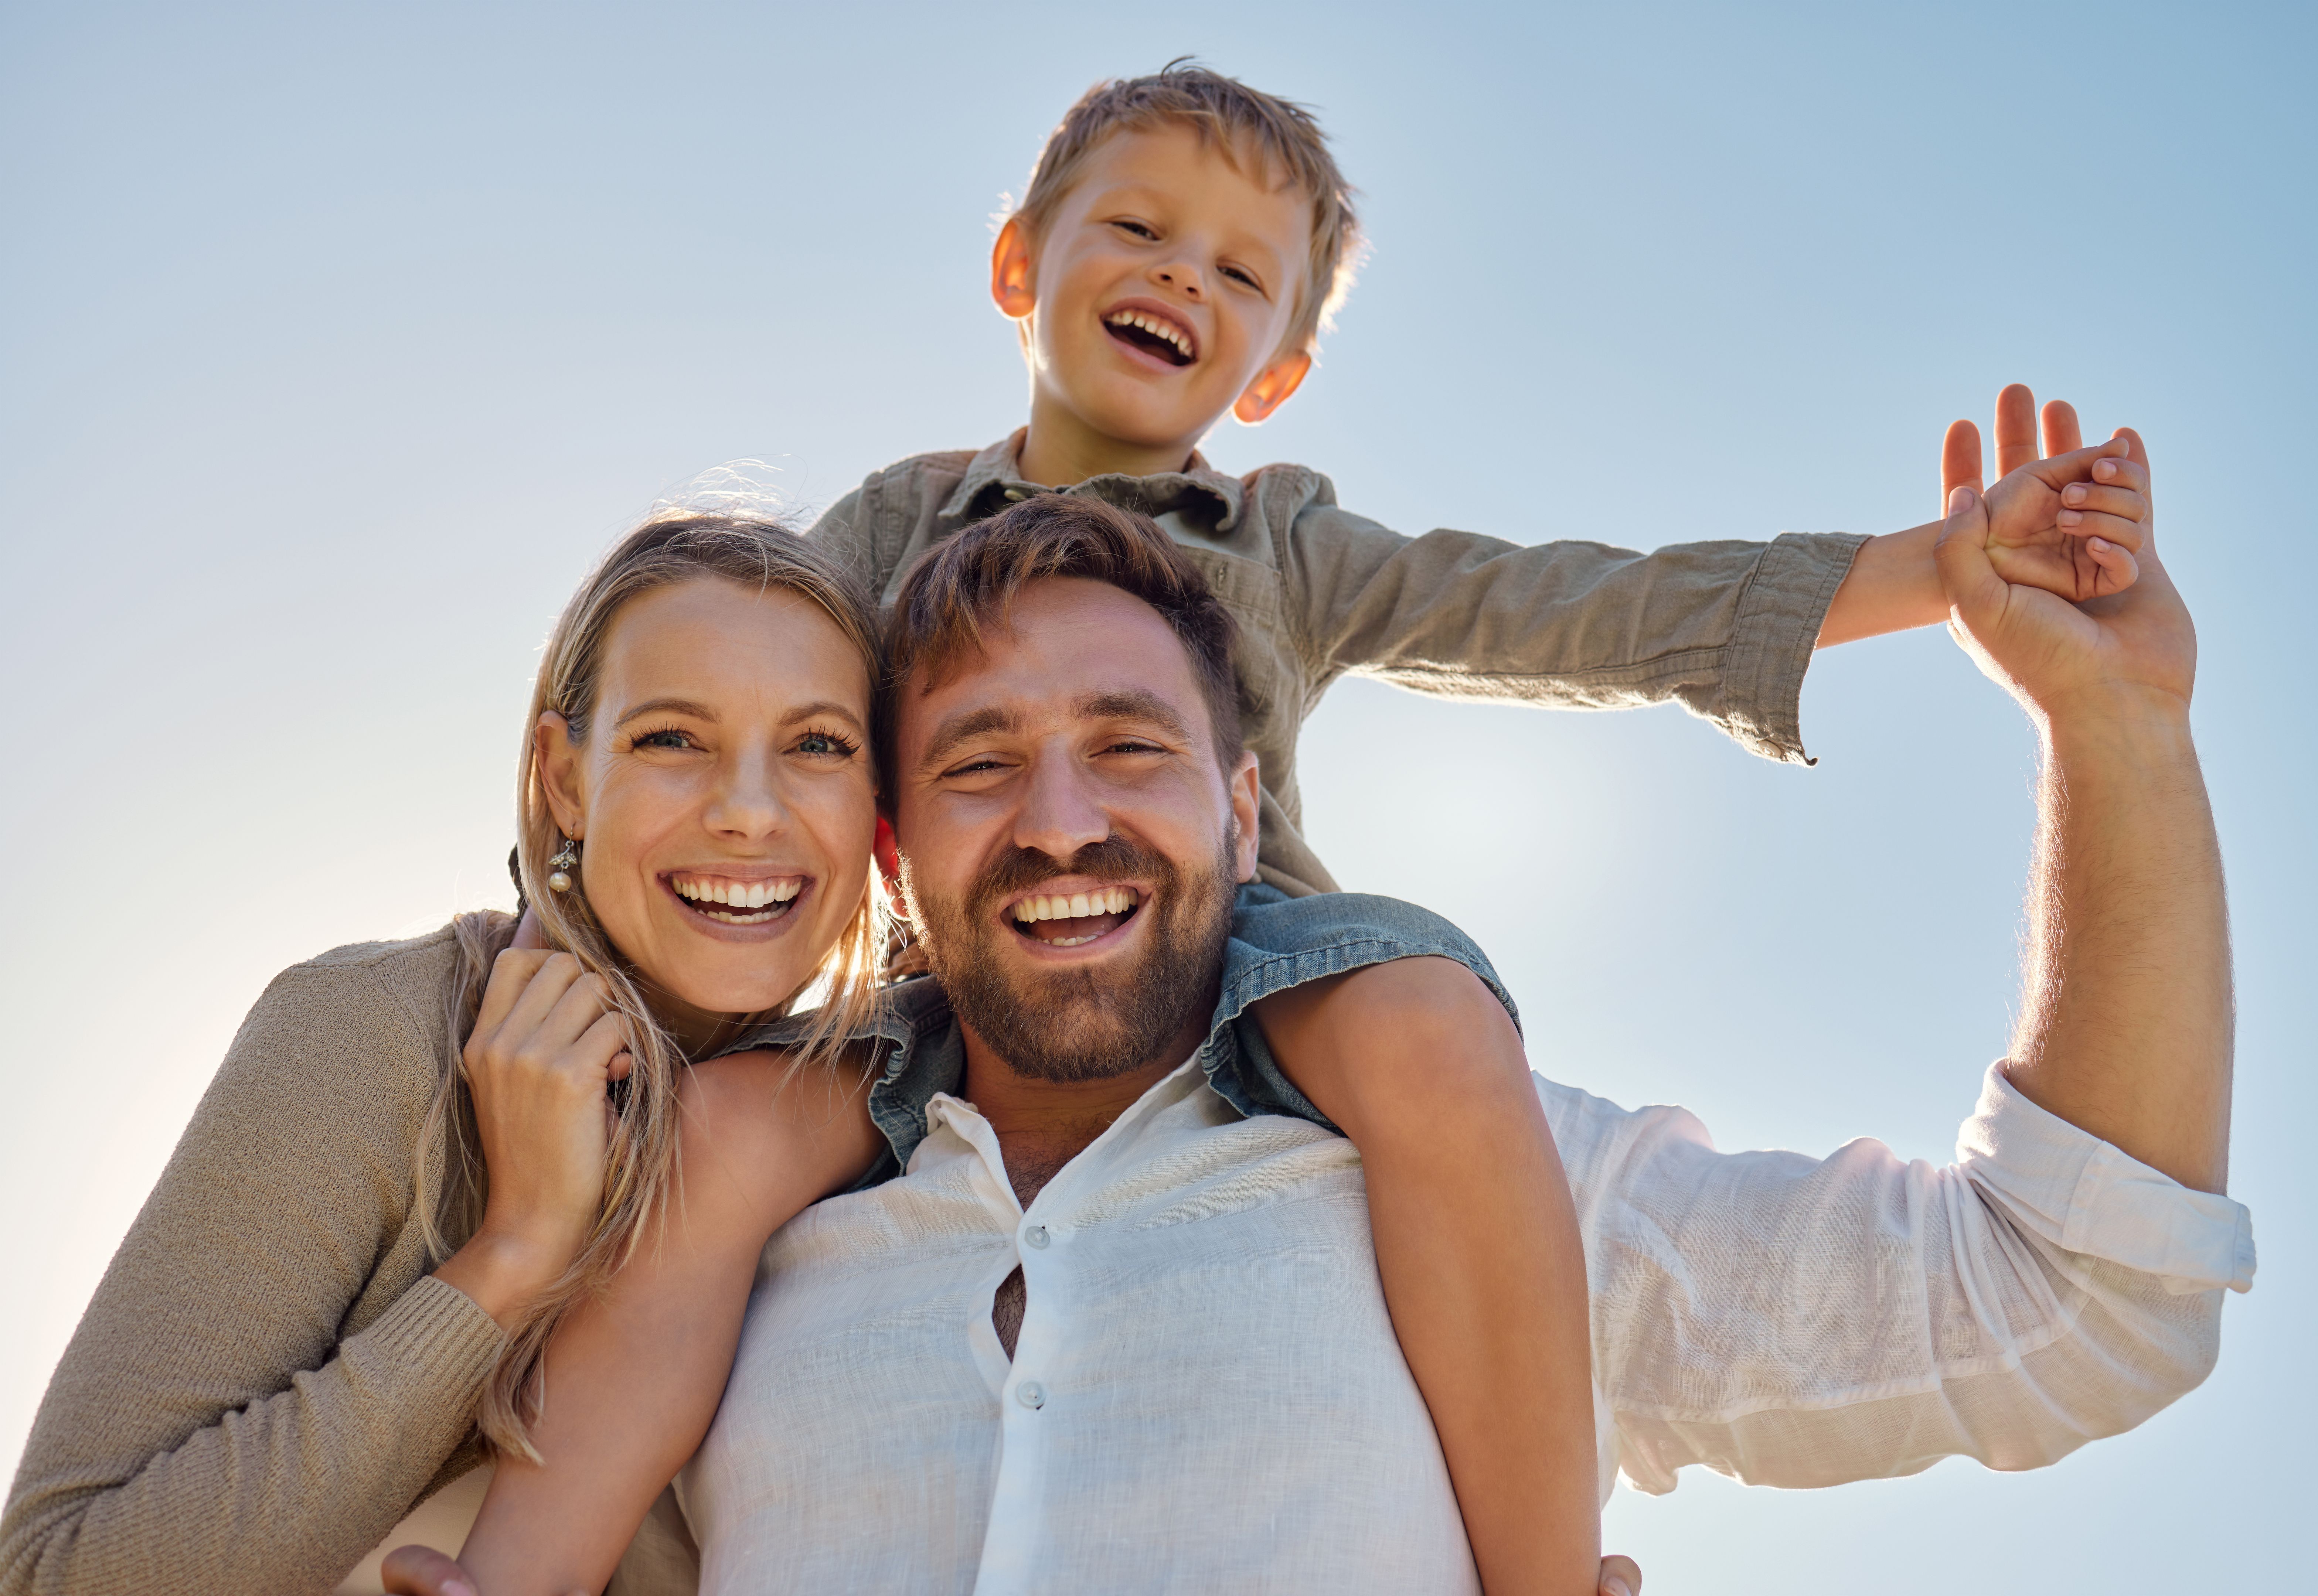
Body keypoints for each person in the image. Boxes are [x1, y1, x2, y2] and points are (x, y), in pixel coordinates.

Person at [396, 459, 2244, 1595]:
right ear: (891, 848)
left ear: (1248, 811)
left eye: (1130, 747)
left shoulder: (1480, 1182)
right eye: (977, 767)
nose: (1058, 820)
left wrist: (2121, 733)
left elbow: (2075, 1309)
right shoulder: (715, 1197)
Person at [0, 511, 902, 1593]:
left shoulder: (895, 1114)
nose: (750, 812)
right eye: (671, 739)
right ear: (565, 780)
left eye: (817, 746)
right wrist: (514, 1258)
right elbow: (60, 1571)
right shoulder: (375, 1032)